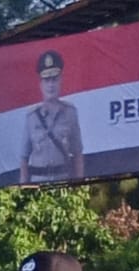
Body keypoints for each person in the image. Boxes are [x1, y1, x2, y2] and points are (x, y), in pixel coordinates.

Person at [18, 50, 83, 184]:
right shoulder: (31, 117)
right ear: (40, 85)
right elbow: (24, 157)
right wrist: (23, 185)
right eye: (46, 80)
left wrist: (79, 183)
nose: (51, 85)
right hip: (38, 181)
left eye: (54, 79)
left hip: (64, 179)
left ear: (61, 81)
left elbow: (77, 154)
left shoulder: (70, 113)